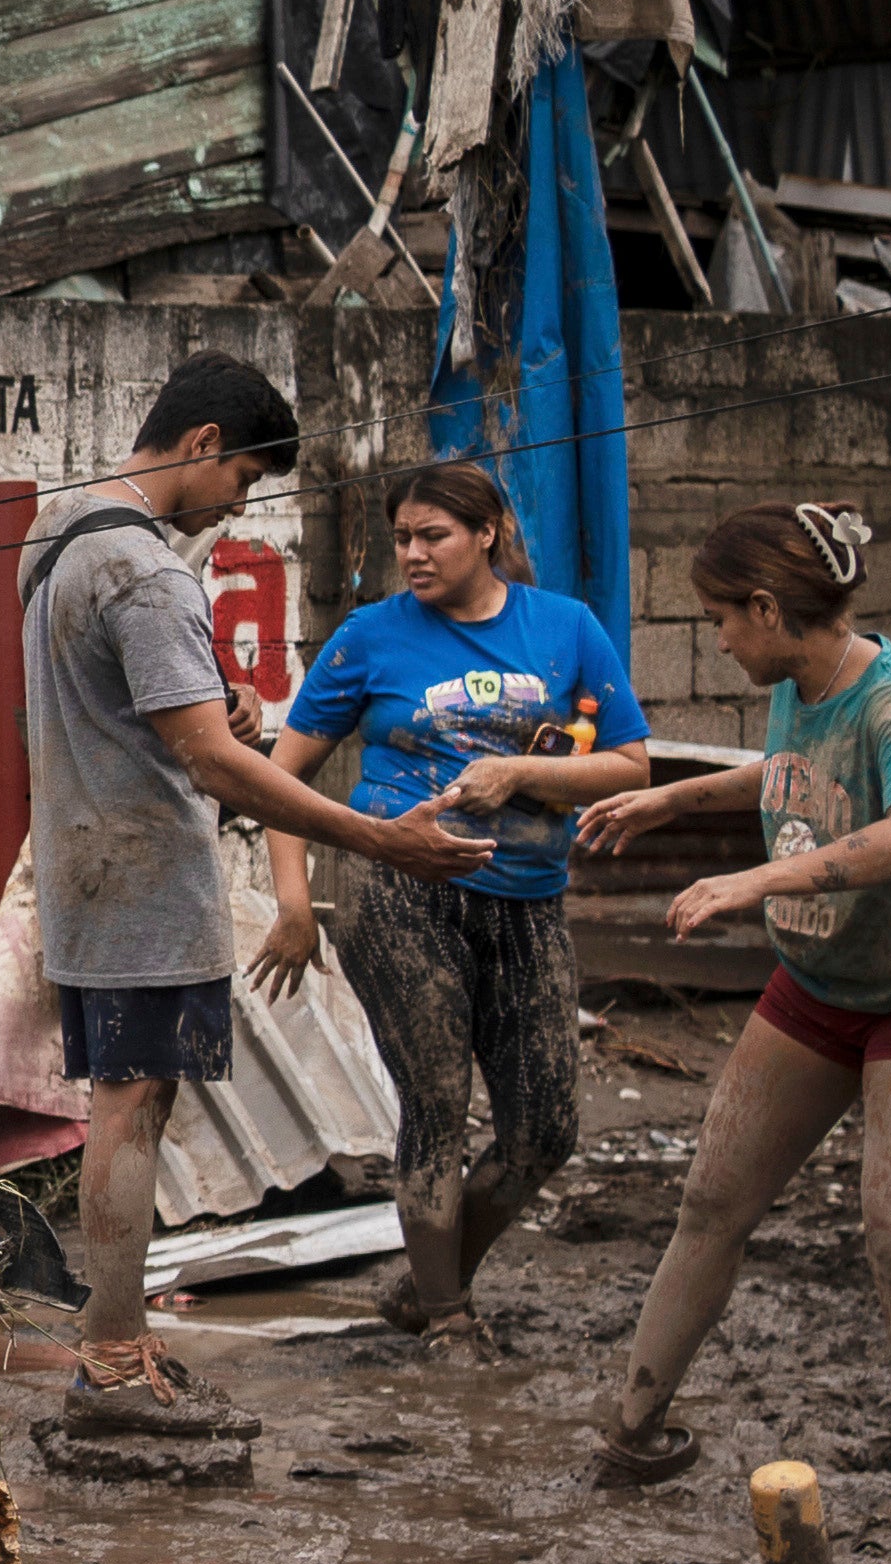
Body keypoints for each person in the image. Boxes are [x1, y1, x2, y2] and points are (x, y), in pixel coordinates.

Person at [11, 355, 488, 1419]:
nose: (241, 506)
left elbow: (142, 713)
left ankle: (114, 1350)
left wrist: (208, 721)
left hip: (85, 868)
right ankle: (115, 1360)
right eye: (246, 482)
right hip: (140, 877)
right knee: (133, 1107)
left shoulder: (56, 534)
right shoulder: (147, 570)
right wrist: (374, 835)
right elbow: (214, 763)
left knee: (124, 1100)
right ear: (203, 445)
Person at [568, 501, 891, 1494]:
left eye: (722, 617)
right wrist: (679, 795)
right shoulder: (803, 684)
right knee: (712, 1198)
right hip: (817, 984)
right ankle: (632, 1435)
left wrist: (757, 882)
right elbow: (799, 775)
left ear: (767, 608)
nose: (717, 638)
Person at [264, 459, 649, 1367]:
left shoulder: (567, 629)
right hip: (398, 891)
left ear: (487, 533)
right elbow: (281, 780)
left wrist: (523, 773)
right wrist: (293, 904)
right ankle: (447, 1318)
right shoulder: (370, 638)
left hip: (527, 900)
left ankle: (428, 1280)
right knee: (436, 1095)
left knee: (545, 1129)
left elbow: (631, 766)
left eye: (432, 535)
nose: (413, 554)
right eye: (402, 538)